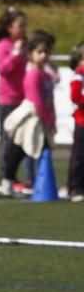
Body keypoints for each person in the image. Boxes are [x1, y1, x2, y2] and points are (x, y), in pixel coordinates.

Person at [0, 30, 57, 196]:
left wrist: (52, 119)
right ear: (31, 54)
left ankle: (41, 183)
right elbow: (36, 101)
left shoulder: (46, 75)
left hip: (42, 118)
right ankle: (7, 181)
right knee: (19, 149)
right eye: (39, 52)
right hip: (31, 118)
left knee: (41, 149)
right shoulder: (33, 75)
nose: (44, 55)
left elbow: (49, 100)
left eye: (46, 52)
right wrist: (47, 119)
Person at [0, 7, 29, 191]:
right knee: (7, 139)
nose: (23, 30)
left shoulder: (23, 45)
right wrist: (15, 54)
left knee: (21, 139)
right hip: (8, 99)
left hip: (23, 98)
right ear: (9, 27)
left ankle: (13, 175)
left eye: (24, 26)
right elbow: (3, 69)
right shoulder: (3, 46)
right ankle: (4, 176)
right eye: (19, 26)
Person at [69, 42, 84, 203]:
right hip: (82, 122)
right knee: (79, 156)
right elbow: (75, 96)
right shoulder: (79, 74)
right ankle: (75, 187)